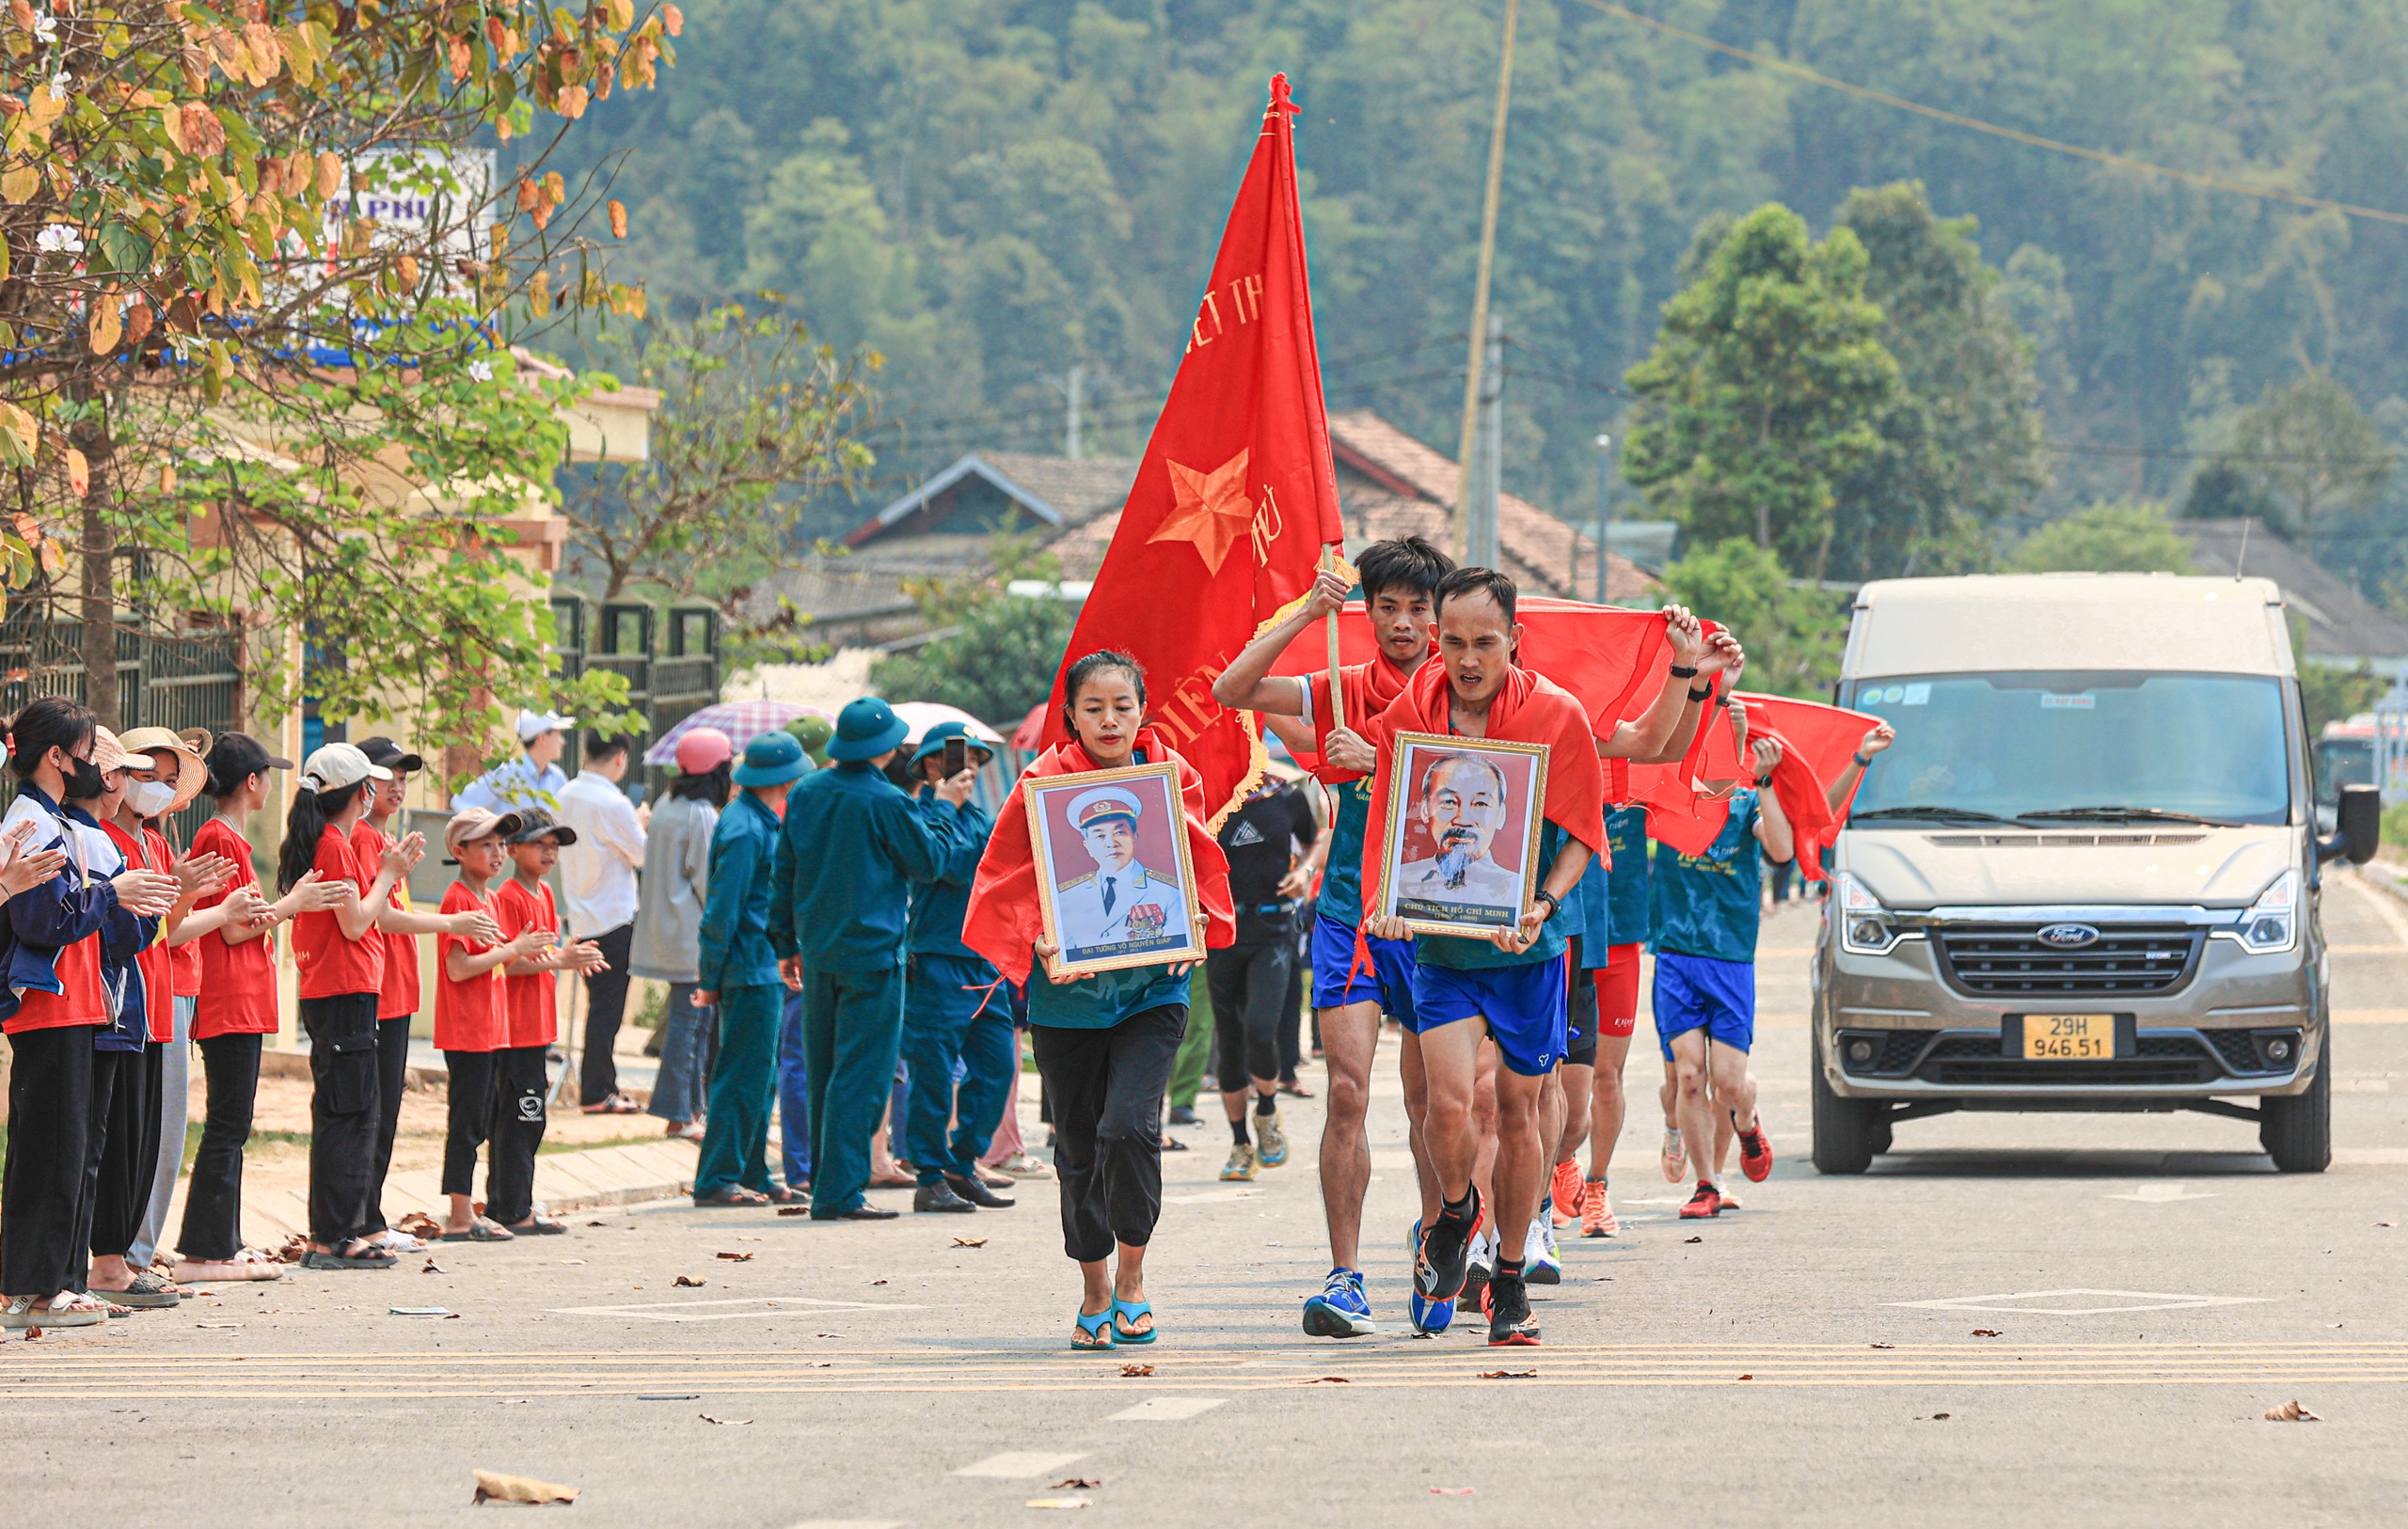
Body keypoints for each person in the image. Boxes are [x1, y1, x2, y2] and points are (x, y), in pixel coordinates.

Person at [1358, 569, 1607, 1348]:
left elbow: (1581, 835)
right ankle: (1456, 1210)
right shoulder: (1416, 710)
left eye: (1485, 643)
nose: (1468, 660)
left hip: (1525, 950)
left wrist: (1541, 907)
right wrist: (1385, 903)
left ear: (1514, 642)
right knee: (1447, 1103)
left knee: (1522, 1113)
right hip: (1441, 947)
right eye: (1454, 643)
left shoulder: (1555, 714)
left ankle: (1506, 1279)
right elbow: (1391, 818)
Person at [962, 652, 1234, 1349]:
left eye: (1123, 705)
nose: (1109, 720)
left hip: (1153, 991)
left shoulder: (1173, 779)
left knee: (1128, 1129)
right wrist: (1038, 945)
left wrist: (1194, 923)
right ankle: (1094, 1288)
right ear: (1071, 716)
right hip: (1068, 1001)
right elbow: (1006, 880)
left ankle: (1135, 1279)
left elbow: (1199, 868)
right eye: (1093, 708)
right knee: (1077, 1147)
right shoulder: (1039, 786)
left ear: (1144, 708)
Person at [0, 699, 174, 1331]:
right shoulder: (30, 822)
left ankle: (61, 1283)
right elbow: (43, 920)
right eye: (85, 753)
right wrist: (111, 894)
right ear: (57, 758)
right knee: (50, 1150)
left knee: (72, 1149)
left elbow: (101, 930)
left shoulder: (61, 825)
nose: (99, 770)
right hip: (49, 1006)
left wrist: (134, 904)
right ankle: (31, 1288)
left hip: (81, 1005)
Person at [768, 700, 978, 1221]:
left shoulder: (808, 792)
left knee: (824, 1069)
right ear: (886, 750)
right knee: (863, 1074)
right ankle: (839, 1191)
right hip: (874, 955)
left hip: (818, 951)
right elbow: (929, 862)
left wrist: (784, 943)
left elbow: (785, 870)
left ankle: (827, 1183)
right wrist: (946, 806)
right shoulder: (888, 800)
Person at [174, 733, 342, 1283]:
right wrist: (292, 904)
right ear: (252, 782)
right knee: (227, 1123)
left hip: (239, 999)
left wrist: (281, 906)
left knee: (234, 1122)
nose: (272, 783)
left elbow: (239, 920)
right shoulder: (218, 838)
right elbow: (233, 930)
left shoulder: (230, 839)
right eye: (267, 774)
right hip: (227, 998)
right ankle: (205, 1250)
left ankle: (225, 1240)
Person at [94, 730, 232, 1307]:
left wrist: (191, 891)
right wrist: (195, 896)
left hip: (158, 1001)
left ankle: (129, 1256)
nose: (158, 788)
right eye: (147, 774)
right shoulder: (106, 840)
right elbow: (155, 926)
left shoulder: (152, 842)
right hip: (126, 1003)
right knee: (121, 1136)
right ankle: (112, 1260)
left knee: (153, 1134)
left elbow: (163, 925)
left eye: (169, 779)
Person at [353, 736, 504, 1251]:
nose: (397, 786)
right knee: (369, 1111)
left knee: (386, 1111)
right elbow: (384, 917)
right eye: (386, 776)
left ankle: (369, 1215)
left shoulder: (384, 840)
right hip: (374, 990)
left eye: (403, 777)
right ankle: (360, 1219)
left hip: (396, 991)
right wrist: (452, 921)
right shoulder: (362, 840)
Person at [280, 742, 422, 1270]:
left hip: (337, 989)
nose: (375, 794)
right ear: (357, 792)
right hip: (344, 988)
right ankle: (339, 1234)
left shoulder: (326, 839)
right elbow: (357, 922)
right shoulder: (335, 844)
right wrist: (389, 872)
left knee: (344, 1109)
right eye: (370, 785)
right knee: (351, 1112)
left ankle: (330, 1234)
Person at [1651, 698, 1794, 1221]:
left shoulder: (1747, 803)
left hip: (1730, 958)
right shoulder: (1669, 798)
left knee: (1729, 1083)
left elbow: (1781, 851)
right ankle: (1707, 1184)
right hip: (1676, 954)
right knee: (1690, 1077)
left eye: (1729, 734)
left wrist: (1768, 782)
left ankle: (1747, 1120)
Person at [896, 722, 1019, 1215]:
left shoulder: (980, 817)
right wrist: (944, 802)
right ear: (930, 766)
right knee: (933, 1073)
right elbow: (938, 863)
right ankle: (928, 1176)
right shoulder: (920, 814)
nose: (965, 766)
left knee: (998, 1066)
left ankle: (960, 1162)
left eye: (972, 758)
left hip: (984, 960)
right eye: (954, 757)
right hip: (937, 958)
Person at [691, 731, 814, 1208]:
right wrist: (709, 977)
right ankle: (716, 1178)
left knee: (761, 1078)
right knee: (741, 1077)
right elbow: (722, 910)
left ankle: (753, 1172)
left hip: (762, 967)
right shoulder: (745, 829)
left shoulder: (758, 820)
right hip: (746, 968)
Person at [489, 808, 607, 1234]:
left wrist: (571, 956)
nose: (550, 852)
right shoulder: (507, 898)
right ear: (513, 848)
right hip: (515, 1028)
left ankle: (515, 1201)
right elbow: (509, 963)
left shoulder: (544, 895)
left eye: (555, 846)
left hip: (538, 1026)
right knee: (520, 1117)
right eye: (541, 844)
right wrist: (561, 958)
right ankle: (510, 1206)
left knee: (530, 1118)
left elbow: (546, 956)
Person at [432, 807, 542, 1241]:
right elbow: (459, 968)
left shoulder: (490, 899)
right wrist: (514, 946)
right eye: (486, 845)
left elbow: (498, 960)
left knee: (480, 1119)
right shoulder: (457, 900)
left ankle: (472, 1210)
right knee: (468, 1123)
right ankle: (460, 1215)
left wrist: (530, 950)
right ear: (459, 852)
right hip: (467, 1030)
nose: (498, 854)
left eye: (500, 845)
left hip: (491, 1028)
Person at [1204, 774, 1320, 1183]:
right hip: (1221, 931)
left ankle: (1267, 1110)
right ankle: (1240, 1144)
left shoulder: (1286, 795)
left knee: (1260, 1028)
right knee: (1230, 1040)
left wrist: (1304, 872)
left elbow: (1314, 840)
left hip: (1273, 930)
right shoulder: (1208, 793)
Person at [634, 727, 732, 1143]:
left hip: (664, 930)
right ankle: (679, 1114)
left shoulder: (667, 804)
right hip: (691, 934)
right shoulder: (701, 814)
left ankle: (689, 1109)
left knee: (689, 1022)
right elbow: (707, 880)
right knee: (690, 1026)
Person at [557, 732, 648, 1112]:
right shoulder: (615, 802)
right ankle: (597, 1091)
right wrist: (642, 820)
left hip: (579, 912)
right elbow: (642, 854)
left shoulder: (566, 794)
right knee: (607, 1009)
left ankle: (601, 1084)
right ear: (621, 758)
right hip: (613, 915)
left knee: (600, 1006)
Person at [1051, 787, 1193, 960]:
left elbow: (1176, 949)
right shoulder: (1067, 896)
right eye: (1100, 836)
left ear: (1135, 836)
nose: (1111, 843)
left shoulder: (1169, 891)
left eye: (1119, 832)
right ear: (1087, 846)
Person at [452, 709, 575, 813]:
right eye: (558, 735)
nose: (563, 742)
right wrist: (488, 831)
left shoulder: (558, 778)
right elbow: (461, 802)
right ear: (542, 738)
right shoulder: (507, 773)